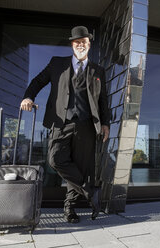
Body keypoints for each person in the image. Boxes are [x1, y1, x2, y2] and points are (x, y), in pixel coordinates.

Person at [20, 26, 110, 223]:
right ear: (72, 44)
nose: (80, 45)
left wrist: (105, 124)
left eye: (84, 42)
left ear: (89, 45)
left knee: (78, 166)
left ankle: (69, 210)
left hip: (86, 125)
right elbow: (37, 81)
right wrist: (28, 97)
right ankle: (89, 192)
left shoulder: (98, 71)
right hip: (61, 122)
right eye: (77, 42)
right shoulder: (57, 64)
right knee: (55, 159)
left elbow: (103, 99)